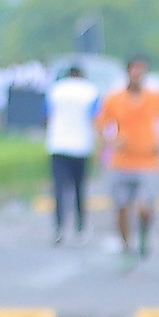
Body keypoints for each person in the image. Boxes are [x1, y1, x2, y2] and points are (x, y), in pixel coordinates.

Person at [95, 57, 159, 261]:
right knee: (121, 206)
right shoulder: (114, 99)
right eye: (134, 71)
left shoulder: (156, 97)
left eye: (141, 71)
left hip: (148, 160)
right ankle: (126, 243)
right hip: (122, 160)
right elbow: (100, 122)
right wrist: (110, 142)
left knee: (145, 206)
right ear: (128, 73)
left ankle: (144, 234)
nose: (138, 75)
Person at [45, 61, 100, 242]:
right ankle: (80, 225)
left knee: (59, 188)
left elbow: (46, 115)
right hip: (82, 145)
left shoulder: (55, 90)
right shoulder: (90, 91)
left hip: (58, 144)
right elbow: (96, 118)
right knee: (79, 187)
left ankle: (59, 227)